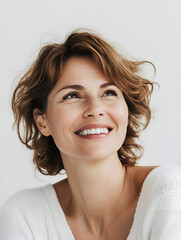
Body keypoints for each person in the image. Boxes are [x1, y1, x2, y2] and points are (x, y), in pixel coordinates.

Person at [0, 29, 181, 240]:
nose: (95, 109)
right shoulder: (24, 216)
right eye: (72, 95)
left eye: (109, 93)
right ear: (42, 121)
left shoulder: (169, 191)